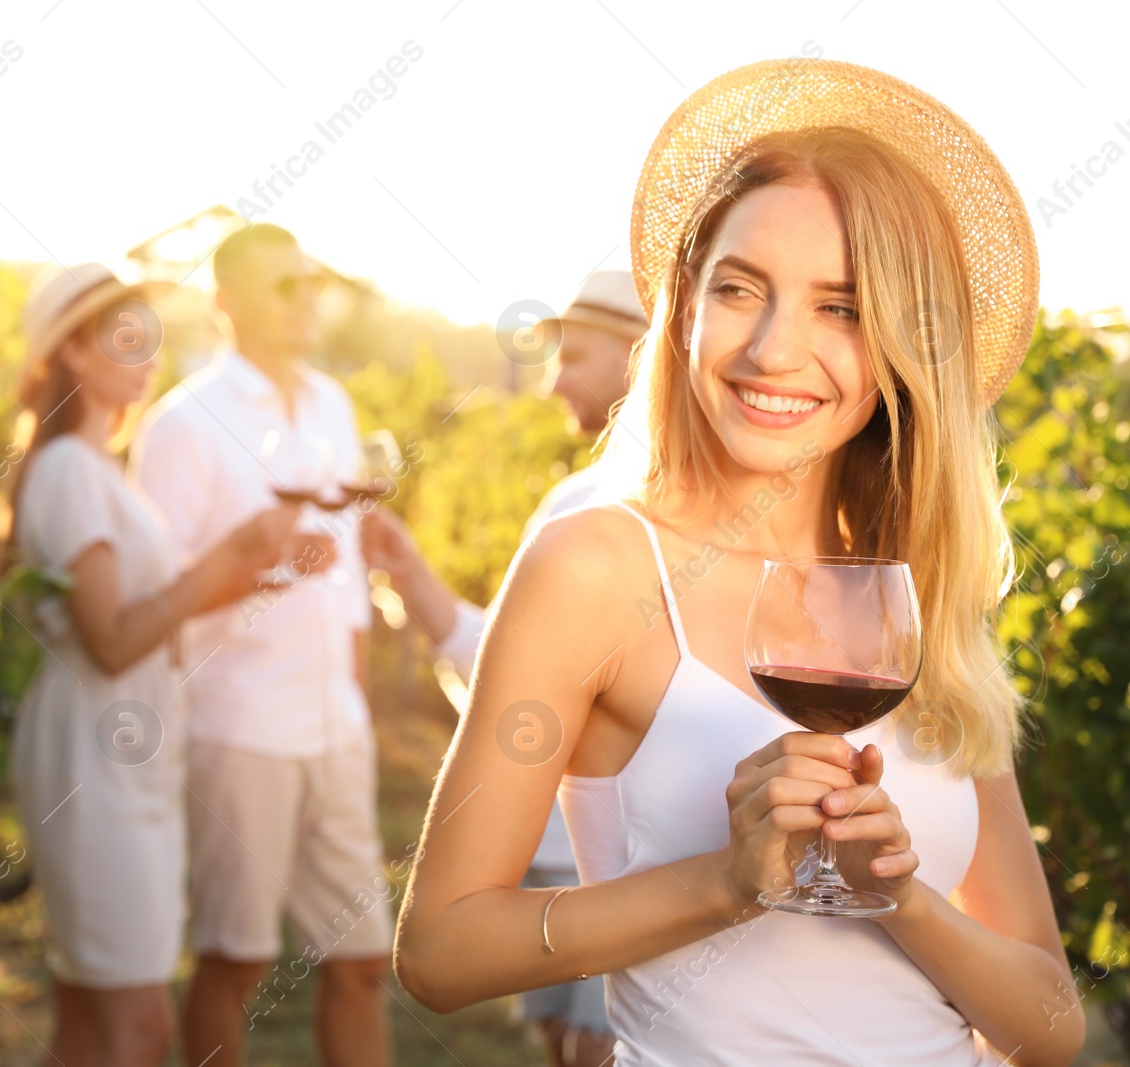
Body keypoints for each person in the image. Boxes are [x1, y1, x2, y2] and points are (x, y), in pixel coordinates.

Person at [393, 58, 1085, 1067]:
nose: (771, 347)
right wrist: (724, 883)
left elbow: (1051, 1026)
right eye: (738, 288)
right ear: (682, 304)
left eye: (839, 307)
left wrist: (899, 897)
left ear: (899, 346)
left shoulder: (915, 593)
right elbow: (439, 948)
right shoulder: (597, 567)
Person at [1, 263, 313, 1067]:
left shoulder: (101, 468)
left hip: (119, 745)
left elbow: (153, 609)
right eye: (126, 335)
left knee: (86, 1014)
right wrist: (229, 556)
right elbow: (110, 637)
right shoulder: (72, 470)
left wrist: (254, 571)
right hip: (94, 755)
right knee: (136, 1027)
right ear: (72, 350)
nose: (148, 353)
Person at [361, 270, 647, 1067]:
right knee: (567, 1043)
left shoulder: (624, 512)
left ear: (640, 359)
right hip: (556, 849)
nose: (553, 380)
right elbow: (518, 678)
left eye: (576, 356)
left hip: (612, 862)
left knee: (598, 1047)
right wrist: (411, 573)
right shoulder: (576, 499)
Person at [130, 224, 393, 1067]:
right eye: (282, 285)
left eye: (308, 281)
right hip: (239, 728)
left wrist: (358, 704)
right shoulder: (185, 425)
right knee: (235, 958)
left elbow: (345, 575)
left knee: (361, 962)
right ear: (225, 300)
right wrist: (255, 569)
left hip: (336, 729)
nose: (305, 298)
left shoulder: (333, 406)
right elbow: (151, 602)